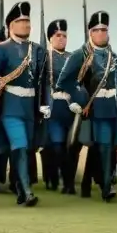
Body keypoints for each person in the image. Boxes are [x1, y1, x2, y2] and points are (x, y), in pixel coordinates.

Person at [0, 1, 49, 207]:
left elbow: (44, 80)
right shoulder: (2, 49)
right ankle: (26, 191)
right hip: (11, 106)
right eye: (20, 21)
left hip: (30, 107)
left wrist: (44, 102)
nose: (25, 24)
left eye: (27, 20)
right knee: (20, 144)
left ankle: (19, 188)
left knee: (26, 149)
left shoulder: (38, 50)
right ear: (11, 25)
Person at [56, 10, 117, 202]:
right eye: (97, 30)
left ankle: (97, 185)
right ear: (90, 32)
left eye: (104, 29)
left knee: (105, 147)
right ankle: (97, 186)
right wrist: (80, 98)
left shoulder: (114, 56)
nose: (101, 33)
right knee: (86, 146)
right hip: (89, 107)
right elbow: (64, 81)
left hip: (110, 107)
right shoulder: (80, 55)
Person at [43, 19, 76, 194]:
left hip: (71, 106)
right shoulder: (45, 58)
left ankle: (68, 182)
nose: (62, 39)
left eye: (64, 35)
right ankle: (54, 177)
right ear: (50, 38)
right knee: (57, 145)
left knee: (71, 146)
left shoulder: (73, 58)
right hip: (53, 105)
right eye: (58, 35)